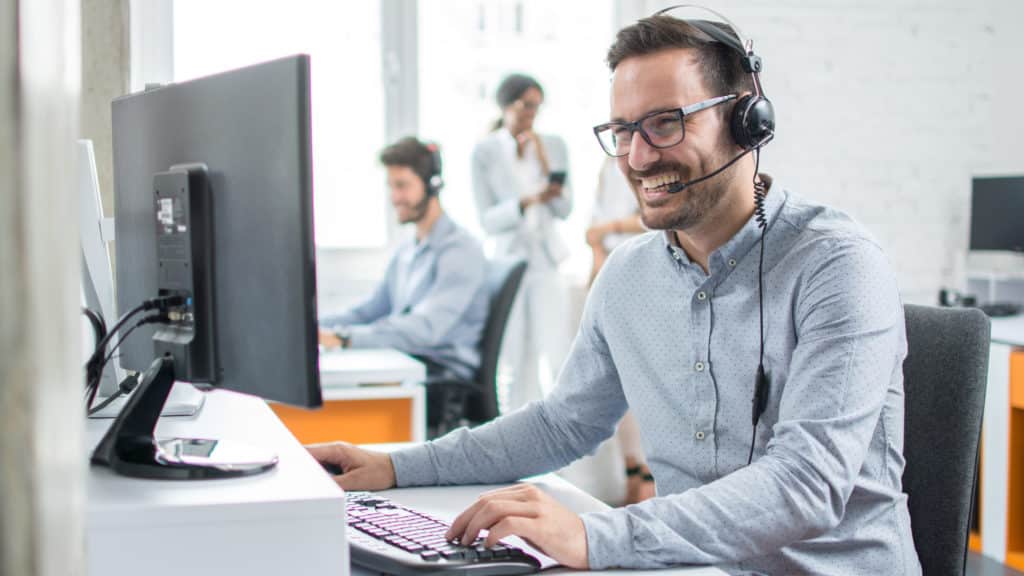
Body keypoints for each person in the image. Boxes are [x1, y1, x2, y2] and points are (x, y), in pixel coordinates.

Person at [309, 11, 920, 575]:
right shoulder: (628, 277)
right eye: (623, 130)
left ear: (747, 118)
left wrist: (598, 535)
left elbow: (807, 484)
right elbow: (559, 426)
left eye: (664, 123)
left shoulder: (836, 265)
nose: (637, 156)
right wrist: (394, 466)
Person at [319, 137, 488, 384]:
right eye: (391, 186)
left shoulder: (460, 250)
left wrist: (343, 338)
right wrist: (314, 328)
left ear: (433, 185)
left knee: (338, 390)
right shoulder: (407, 249)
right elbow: (369, 311)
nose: (395, 197)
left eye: (402, 186)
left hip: (441, 375)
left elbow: (426, 328)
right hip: (408, 362)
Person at [470, 73, 573, 413]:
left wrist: (546, 167)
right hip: (509, 262)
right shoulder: (485, 152)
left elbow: (564, 208)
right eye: (526, 105)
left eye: (537, 107)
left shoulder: (553, 145)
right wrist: (527, 201)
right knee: (513, 359)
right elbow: (487, 220)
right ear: (506, 105)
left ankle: (559, 438)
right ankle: (512, 441)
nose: (533, 113)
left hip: (546, 260)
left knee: (557, 354)